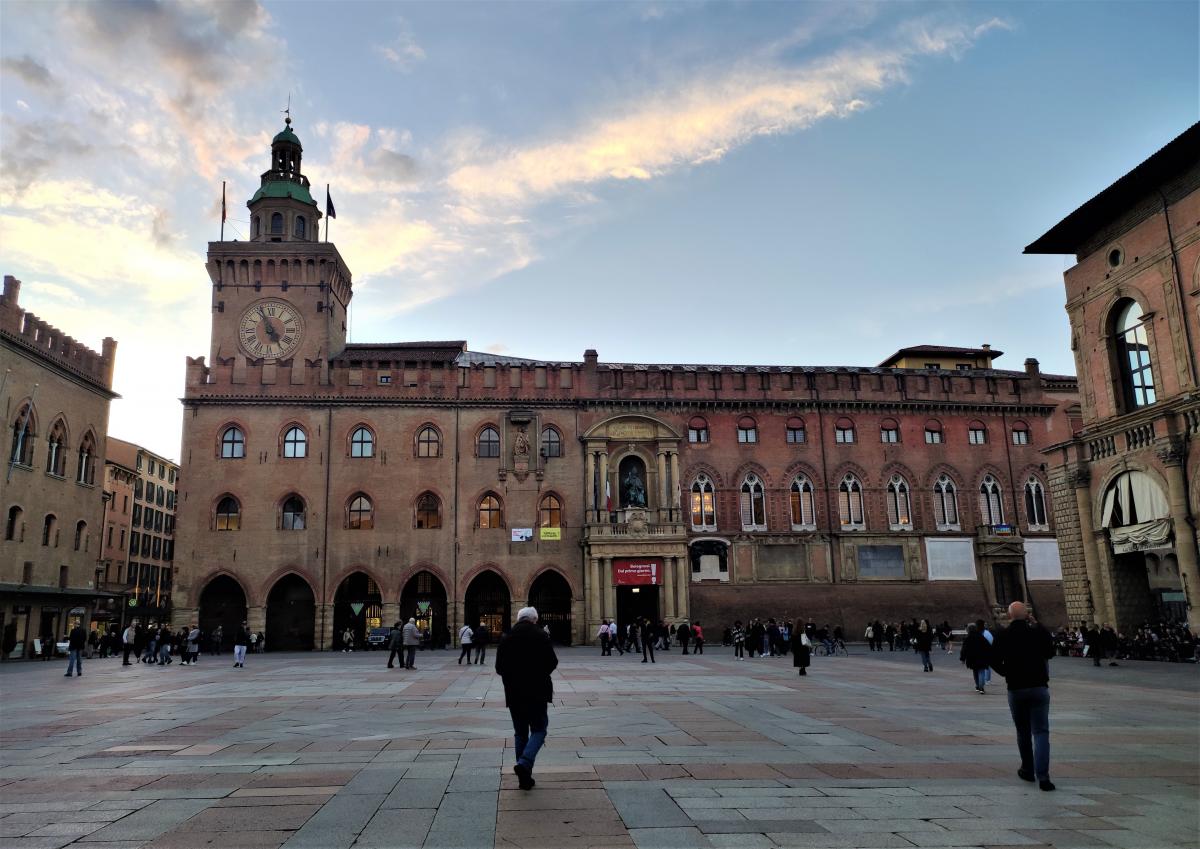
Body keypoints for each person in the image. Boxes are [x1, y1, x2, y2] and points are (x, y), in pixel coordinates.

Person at [990, 601, 1056, 791]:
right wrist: (1039, 626)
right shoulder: (1036, 632)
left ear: (1010, 616)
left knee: (1023, 730)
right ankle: (1044, 777)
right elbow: (1050, 652)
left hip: (1016, 688)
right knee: (1041, 731)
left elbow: (993, 659)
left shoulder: (1003, 634)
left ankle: (1027, 769)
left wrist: (1006, 673)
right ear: (1027, 615)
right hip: (1039, 687)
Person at [494, 606, 558, 791]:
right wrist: (539, 674)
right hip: (537, 692)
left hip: (514, 693)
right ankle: (525, 762)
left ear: (519, 618)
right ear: (534, 619)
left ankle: (524, 778)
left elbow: (499, 668)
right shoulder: (541, 636)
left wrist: (512, 678)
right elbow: (552, 662)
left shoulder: (507, 638)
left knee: (520, 733)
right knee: (539, 730)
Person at [959, 623, 991, 693]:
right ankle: (981, 687)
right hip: (982, 657)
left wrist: (962, 659)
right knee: (981, 671)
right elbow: (988, 646)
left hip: (972, 658)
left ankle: (977, 686)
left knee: (975, 672)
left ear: (968, 629)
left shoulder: (967, 638)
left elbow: (964, 649)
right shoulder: (981, 637)